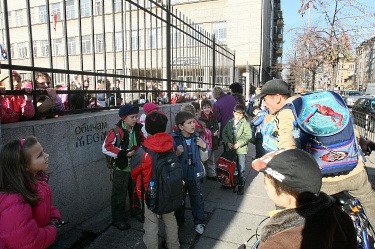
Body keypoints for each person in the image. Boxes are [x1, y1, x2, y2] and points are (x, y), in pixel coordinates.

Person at [254, 78, 375, 228]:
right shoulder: (322, 102)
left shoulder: (287, 111)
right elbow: (348, 128)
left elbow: (288, 151)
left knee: (306, 217)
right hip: (353, 172)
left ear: (277, 98)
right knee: (369, 200)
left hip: (322, 181)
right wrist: (363, 143)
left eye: (265, 100)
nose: (264, 104)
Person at [251, 148, 357, 248]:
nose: (265, 187)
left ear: (286, 196)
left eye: (267, 184)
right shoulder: (340, 216)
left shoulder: (276, 242)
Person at [0, 136, 62, 248]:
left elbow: (46, 205)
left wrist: (54, 219)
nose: (47, 155)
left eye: (43, 151)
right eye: (40, 155)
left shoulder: (37, 182)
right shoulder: (14, 201)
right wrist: (53, 229)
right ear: (24, 167)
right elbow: (30, 242)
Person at [131, 111, 180, 249]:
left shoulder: (143, 150)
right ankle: (173, 245)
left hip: (150, 192)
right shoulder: (171, 144)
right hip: (169, 189)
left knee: (151, 222)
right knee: (170, 219)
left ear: (147, 128)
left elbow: (134, 172)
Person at [102, 104, 144, 230]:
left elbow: (142, 142)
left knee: (135, 192)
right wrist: (124, 153)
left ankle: (136, 211)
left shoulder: (137, 129)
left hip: (135, 168)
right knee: (119, 195)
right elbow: (106, 147)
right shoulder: (115, 132)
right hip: (121, 169)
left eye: (136, 116)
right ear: (124, 118)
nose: (135, 119)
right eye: (132, 117)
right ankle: (118, 219)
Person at [170, 111, 209, 234]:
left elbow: (205, 157)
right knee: (179, 201)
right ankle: (179, 222)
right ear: (181, 126)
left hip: (195, 174)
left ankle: (199, 222)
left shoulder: (197, 137)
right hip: (180, 176)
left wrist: (204, 146)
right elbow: (169, 159)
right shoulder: (174, 139)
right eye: (189, 123)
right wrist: (176, 154)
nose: (193, 125)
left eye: (193, 122)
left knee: (197, 199)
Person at [222, 104, 252, 195]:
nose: (238, 116)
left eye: (240, 114)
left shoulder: (245, 123)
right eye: (237, 114)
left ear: (243, 115)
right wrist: (227, 142)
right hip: (230, 149)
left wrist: (239, 143)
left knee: (241, 167)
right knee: (230, 166)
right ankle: (231, 181)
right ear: (233, 113)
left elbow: (248, 135)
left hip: (241, 150)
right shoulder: (230, 122)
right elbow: (224, 133)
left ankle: (241, 184)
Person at [199, 99, 219, 180]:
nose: (207, 109)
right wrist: (211, 133)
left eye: (208, 107)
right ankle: (202, 173)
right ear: (202, 109)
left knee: (211, 158)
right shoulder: (200, 118)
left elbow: (216, 126)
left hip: (213, 141)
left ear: (211, 108)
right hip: (204, 142)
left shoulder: (213, 117)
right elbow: (202, 130)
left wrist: (216, 132)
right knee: (203, 158)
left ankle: (211, 174)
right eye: (205, 107)